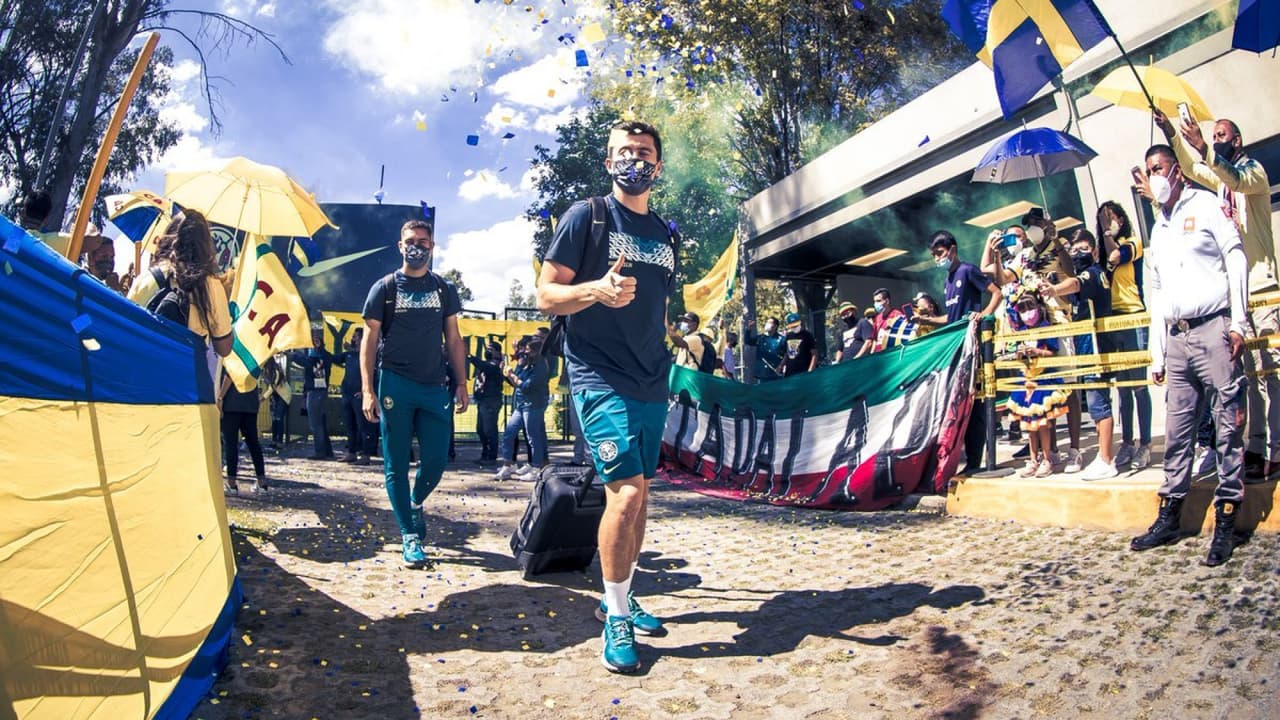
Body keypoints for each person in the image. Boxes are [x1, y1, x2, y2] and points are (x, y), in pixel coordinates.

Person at [537, 120, 677, 673]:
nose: (633, 160)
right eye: (623, 152)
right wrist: (596, 289)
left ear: (657, 165)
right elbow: (547, 295)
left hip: (652, 380)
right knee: (624, 493)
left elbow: (657, 310)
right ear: (608, 161)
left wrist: (676, 344)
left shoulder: (667, 234)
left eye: (643, 153)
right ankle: (615, 614)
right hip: (599, 376)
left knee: (640, 495)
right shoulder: (586, 216)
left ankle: (621, 593)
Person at [1129, 144, 1248, 567]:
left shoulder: (1208, 204)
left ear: (1176, 170)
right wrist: (1157, 353)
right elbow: (1156, 294)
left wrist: (1239, 322)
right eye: (1148, 171)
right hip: (1177, 340)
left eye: (1158, 168)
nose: (1153, 176)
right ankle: (1170, 516)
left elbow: (1235, 257)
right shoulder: (1158, 228)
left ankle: (1227, 522)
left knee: (1227, 427)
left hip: (1214, 329)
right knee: (1178, 433)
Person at [1155, 110, 1278, 480]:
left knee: (1270, 373)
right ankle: (1257, 446)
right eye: (1215, 134)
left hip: (1262, 283)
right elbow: (1196, 171)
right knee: (1248, 374)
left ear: (1235, 140)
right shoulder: (1222, 181)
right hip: (1235, 292)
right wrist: (1173, 136)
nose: (1217, 137)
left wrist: (1205, 148)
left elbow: (1234, 178)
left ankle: (1276, 448)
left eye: (1223, 134)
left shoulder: (1252, 172)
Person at [361, 219, 468, 568]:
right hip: (395, 384)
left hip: (435, 386)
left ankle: (416, 502)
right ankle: (409, 535)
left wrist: (462, 382)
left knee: (436, 461)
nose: (417, 246)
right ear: (400, 245)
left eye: (423, 241)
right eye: (410, 240)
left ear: (433, 247)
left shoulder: (443, 288)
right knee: (395, 464)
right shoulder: (384, 287)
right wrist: (367, 389)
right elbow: (370, 340)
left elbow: (453, 338)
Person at [919, 231, 1002, 474]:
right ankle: (967, 457)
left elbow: (997, 292)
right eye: (934, 255)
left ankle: (977, 460)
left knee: (975, 402)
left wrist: (984, 313)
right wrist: (928, 319)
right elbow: (952, 317)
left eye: (940, 253)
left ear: (952, 249)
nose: (938, 258)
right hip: (956, 347)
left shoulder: (967, 270)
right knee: (961, 402)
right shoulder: (947, 280)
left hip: (973, 344)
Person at [1046, 229, 1118, 480]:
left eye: (1083, 249)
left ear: (1095, 251)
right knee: (1096, 401)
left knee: (1099, 403)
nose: (1078, 254)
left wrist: (1054, 290)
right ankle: (1103, 454)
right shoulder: (1089, 275)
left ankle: (1107, 459)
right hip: (1085, 348)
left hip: (1095, 347)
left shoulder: (1093, 273)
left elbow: (1075, 283)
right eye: (1074, 249)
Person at [1096, 201, 1153, 471]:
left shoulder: (1133, 242)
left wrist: (1109, 236)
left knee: (1140, 386)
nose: (1108, 224)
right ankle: (1127, 441)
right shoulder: (1101, 250)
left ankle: (1145, 444)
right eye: (1102, 221)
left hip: (1133, 315)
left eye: (1111, 218)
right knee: (1123, 388)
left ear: (1121, 218)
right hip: (1112, 319)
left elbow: (1118, 257)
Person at [1005, 288, 1068, 477]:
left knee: (1042, 424)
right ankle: (1033, 459)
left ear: (1039, 307)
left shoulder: (1046, 328)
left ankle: (1048, 458)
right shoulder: (1021, 332)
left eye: (1030, 307)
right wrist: (1020, 354)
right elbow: (1015, 352)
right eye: (1022, 309)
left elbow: (1052, 351)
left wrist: (1038, 352)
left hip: (1043, 381)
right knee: (1029, 425)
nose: (1027, 312)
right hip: (1026, 381)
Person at [494, 339, 551, 481]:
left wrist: (512, 374)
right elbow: (516, 382)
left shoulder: (541, 367)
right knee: (509, 433)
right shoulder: (525, 363)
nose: (526, 352)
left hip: (534, 405)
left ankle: (536, 467)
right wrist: (507, 374)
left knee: (533, 437)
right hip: (520, 405)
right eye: (525, 349)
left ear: (537, 351)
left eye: (529, 350)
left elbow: (526, 386)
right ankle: (509, 464)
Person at [218, 370, 268, 494]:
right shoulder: (253, 358)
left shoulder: (230, 356)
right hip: (250, 404)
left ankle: (232, 483)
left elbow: (230, 376)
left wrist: (220, 397)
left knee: (231, 444)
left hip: (231, 404)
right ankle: (262, 483)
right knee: (253, 443)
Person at [333, 328, 374, 464]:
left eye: (356, 336)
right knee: (349, 425)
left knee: (363, 426)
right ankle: (351, 452)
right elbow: (334, 358)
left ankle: (366, 454)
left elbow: (374, 374)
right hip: (347, 394)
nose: (353, 339)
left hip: (360, 395)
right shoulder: (349, 354)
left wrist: (365, 391)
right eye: (353, 337)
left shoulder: (368, 354)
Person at [301, 330, 335, 460]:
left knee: (316, 423)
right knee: (321, 422)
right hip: (317, 391)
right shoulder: (320, 355)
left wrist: (292, 355)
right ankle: (327, 451)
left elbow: (306, 362)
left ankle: (320, 451)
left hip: (316, 392)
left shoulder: (318, 356)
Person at [469, 341, 505, 465]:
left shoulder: (498, 364)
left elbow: (486, 368)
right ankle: (485, 453)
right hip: (483, 399)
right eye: (487, 349)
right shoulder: (486, 363)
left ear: (497, 351)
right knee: (480, 429)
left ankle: (491, 456)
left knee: (489, 429)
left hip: (492, 400)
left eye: (491, 349)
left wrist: (469, 356)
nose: (487, 351)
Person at [261, 353, 290, 452]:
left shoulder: (276, 371)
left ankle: (279, 442)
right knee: (274, 419)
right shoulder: (266, 372)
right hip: (276, 396)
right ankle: (274, 441)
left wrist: (263, 398)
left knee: (279, 418)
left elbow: (272, 387)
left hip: (284, 396)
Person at [868, 289, 905, 353]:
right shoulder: (877, 318)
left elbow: (901, 337)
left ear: (887, 301)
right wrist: (872, 354)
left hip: (890, 353)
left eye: (878, 301)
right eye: (875, 301)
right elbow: (875, 339)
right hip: (878, 355)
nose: (875, 304)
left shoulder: (897, 315)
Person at [751, 316, 785, 381]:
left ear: (775, 326)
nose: (767, 324)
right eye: (767, 322)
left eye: (770, 322)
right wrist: (749, 329)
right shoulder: (761, 338)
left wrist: (781, 366)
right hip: (762, 373)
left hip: (775, 372)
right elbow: (748, 341)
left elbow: (786, 354)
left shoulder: (781, 339)